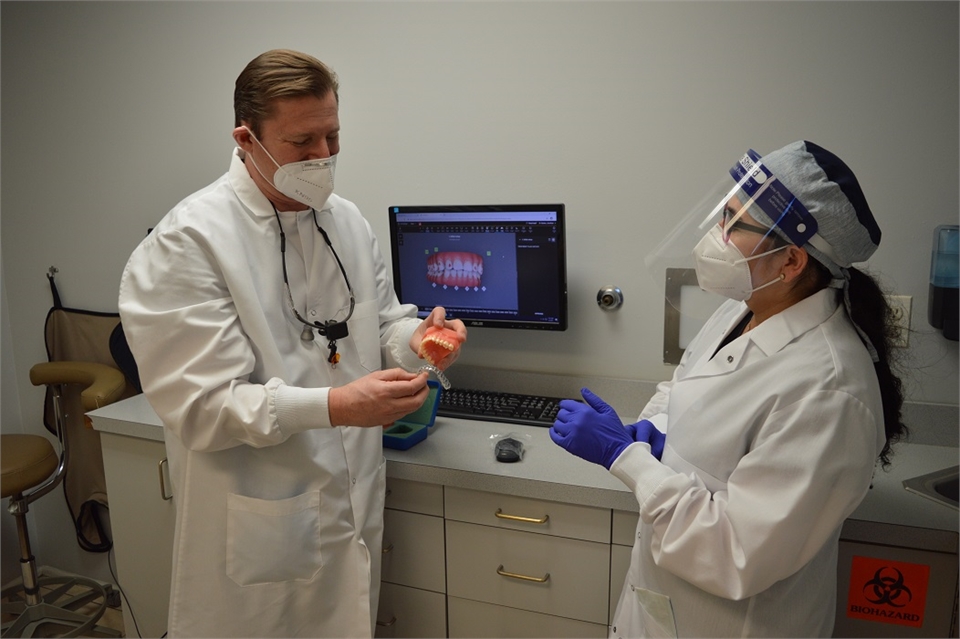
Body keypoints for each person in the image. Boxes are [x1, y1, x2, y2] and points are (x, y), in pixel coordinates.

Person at [118, 49, 466, 638]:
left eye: (333, 136)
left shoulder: (346, 222)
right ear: (246, 138)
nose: (324, 157)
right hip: (260, 519)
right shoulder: (189, 243)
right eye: (303, 141)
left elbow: (381, 326)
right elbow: (206, 409)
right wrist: (337, 406)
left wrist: (421, 339)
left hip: (350, 503)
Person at [550, 141, 906, 638]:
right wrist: (654, 430)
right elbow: (685, 385)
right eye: (724, 215)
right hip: (663, 613)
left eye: (736, 224)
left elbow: (735, 555)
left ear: (791, 261)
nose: (718, 235)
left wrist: (624, 458)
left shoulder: (828, 391)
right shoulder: (743, 308)